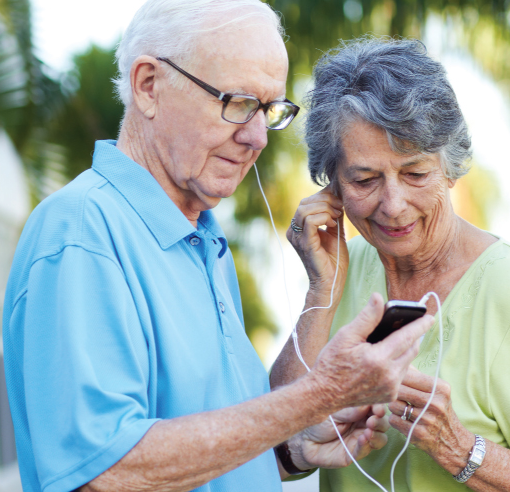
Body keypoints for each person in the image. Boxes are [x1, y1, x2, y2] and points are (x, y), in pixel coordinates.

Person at [1, 3, 434, 492]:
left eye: (268, 110)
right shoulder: (82, 233)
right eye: (238, 102)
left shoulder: (202, 240)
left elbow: (196, 456)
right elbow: (105, 472)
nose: (256, 138)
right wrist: (322, 393)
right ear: (148, 85)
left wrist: (290, 454)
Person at [270, 37, 510, 491]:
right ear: (332, 186)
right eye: (364, 179)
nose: (393, 205)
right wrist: (321, 292)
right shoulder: (341, 267)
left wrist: (460, 449)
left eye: (416, 173)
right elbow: (272, 436)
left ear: (451, 167)